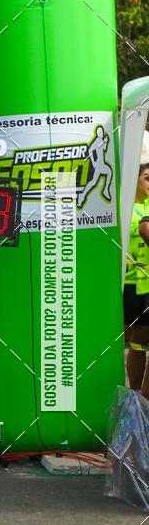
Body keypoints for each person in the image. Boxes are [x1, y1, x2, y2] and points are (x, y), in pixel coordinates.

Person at [123, 162, 149, 398]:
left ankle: (145, 403)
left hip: (148, 282)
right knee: (134, 340)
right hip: (130, 282)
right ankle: (134, 398)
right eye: (147, 177)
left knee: (143, 338)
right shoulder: (126, 205)